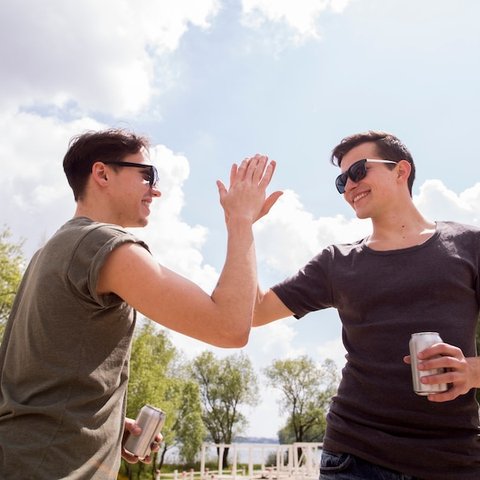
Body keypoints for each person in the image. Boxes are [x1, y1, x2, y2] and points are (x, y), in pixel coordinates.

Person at [0, 128, 282, 479]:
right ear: (102, 173)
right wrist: (241, 220)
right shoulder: (100, 244)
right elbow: (229, 328)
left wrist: (108, 425)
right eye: (147, 175)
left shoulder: (52, 250)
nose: (156, 189)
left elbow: (37, 380)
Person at [253, 130, 480, 480]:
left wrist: (473, 371)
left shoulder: (470, 246)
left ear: (400, 171)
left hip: (454, 460)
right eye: (342, 180)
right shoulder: (335, 262)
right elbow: (252, 312)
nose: (348, 186)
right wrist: (242, 225)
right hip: (353, 459)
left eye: (358, 171)